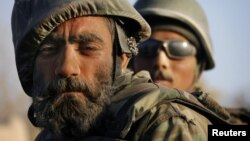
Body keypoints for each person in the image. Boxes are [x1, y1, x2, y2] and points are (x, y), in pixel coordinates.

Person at [11, 0, 231, 140]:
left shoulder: (164, 123)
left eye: (88, 48)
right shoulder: (52, 132)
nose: (67, 67)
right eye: (49, 49)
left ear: (123, 57)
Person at [132, 0, 250, 124]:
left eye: (178, 49)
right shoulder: (111, 120)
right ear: (130, 59)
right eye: (147, 48)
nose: (161, 62)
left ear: (199, 64)